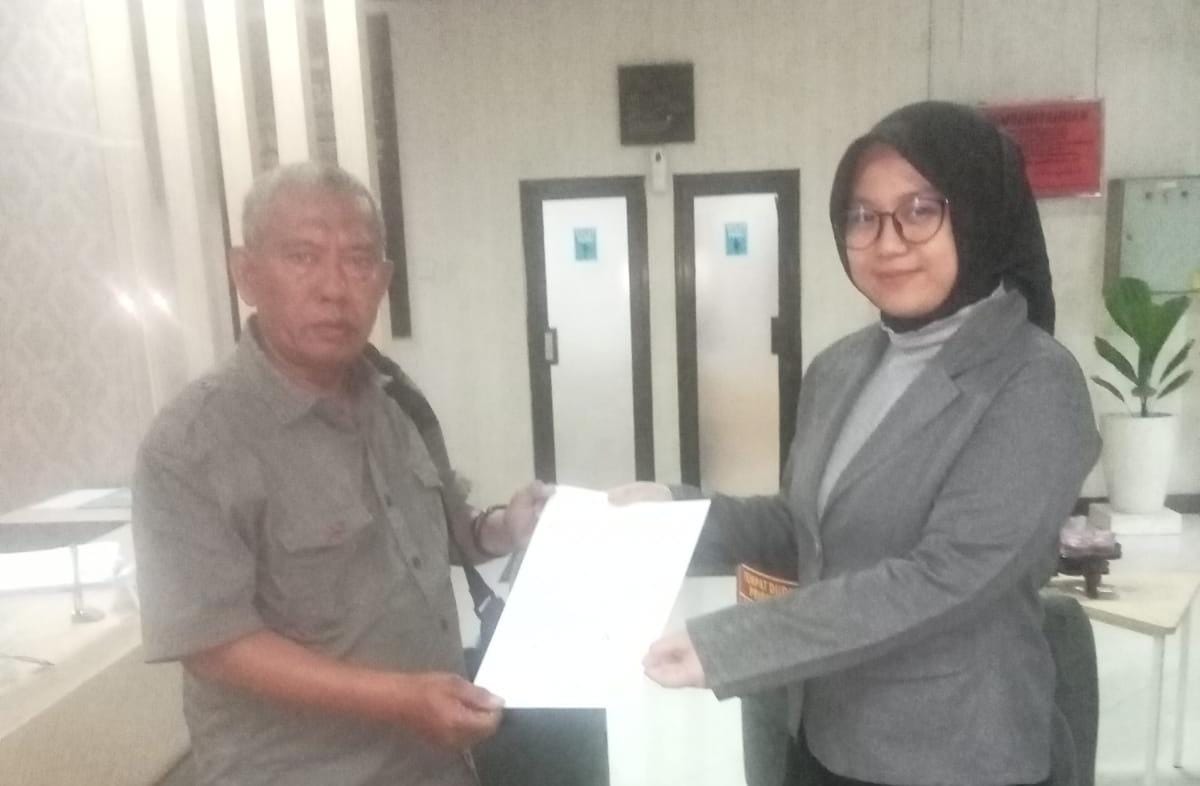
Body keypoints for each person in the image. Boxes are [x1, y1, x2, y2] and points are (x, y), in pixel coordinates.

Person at [634, 101, 1101, 786]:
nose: (887, 241)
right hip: (824, 733)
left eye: (920, 210)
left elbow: (947, 576)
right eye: (862, 216)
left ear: (978, 212)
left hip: (952, 754)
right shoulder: (840, 367)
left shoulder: (1034, 382)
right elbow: (805, 530)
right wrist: (669, 512)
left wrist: (732, 644)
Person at [132, 162, 551, 786]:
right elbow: (214, 644)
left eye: (357, 261)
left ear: (382, 280)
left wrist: (503, 529)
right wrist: (402, 700)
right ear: (246, 274)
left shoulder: (395, 399)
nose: (334, 287)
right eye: (302, 257)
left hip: (435, 761)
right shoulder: (193, 443)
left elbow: (437, 532)